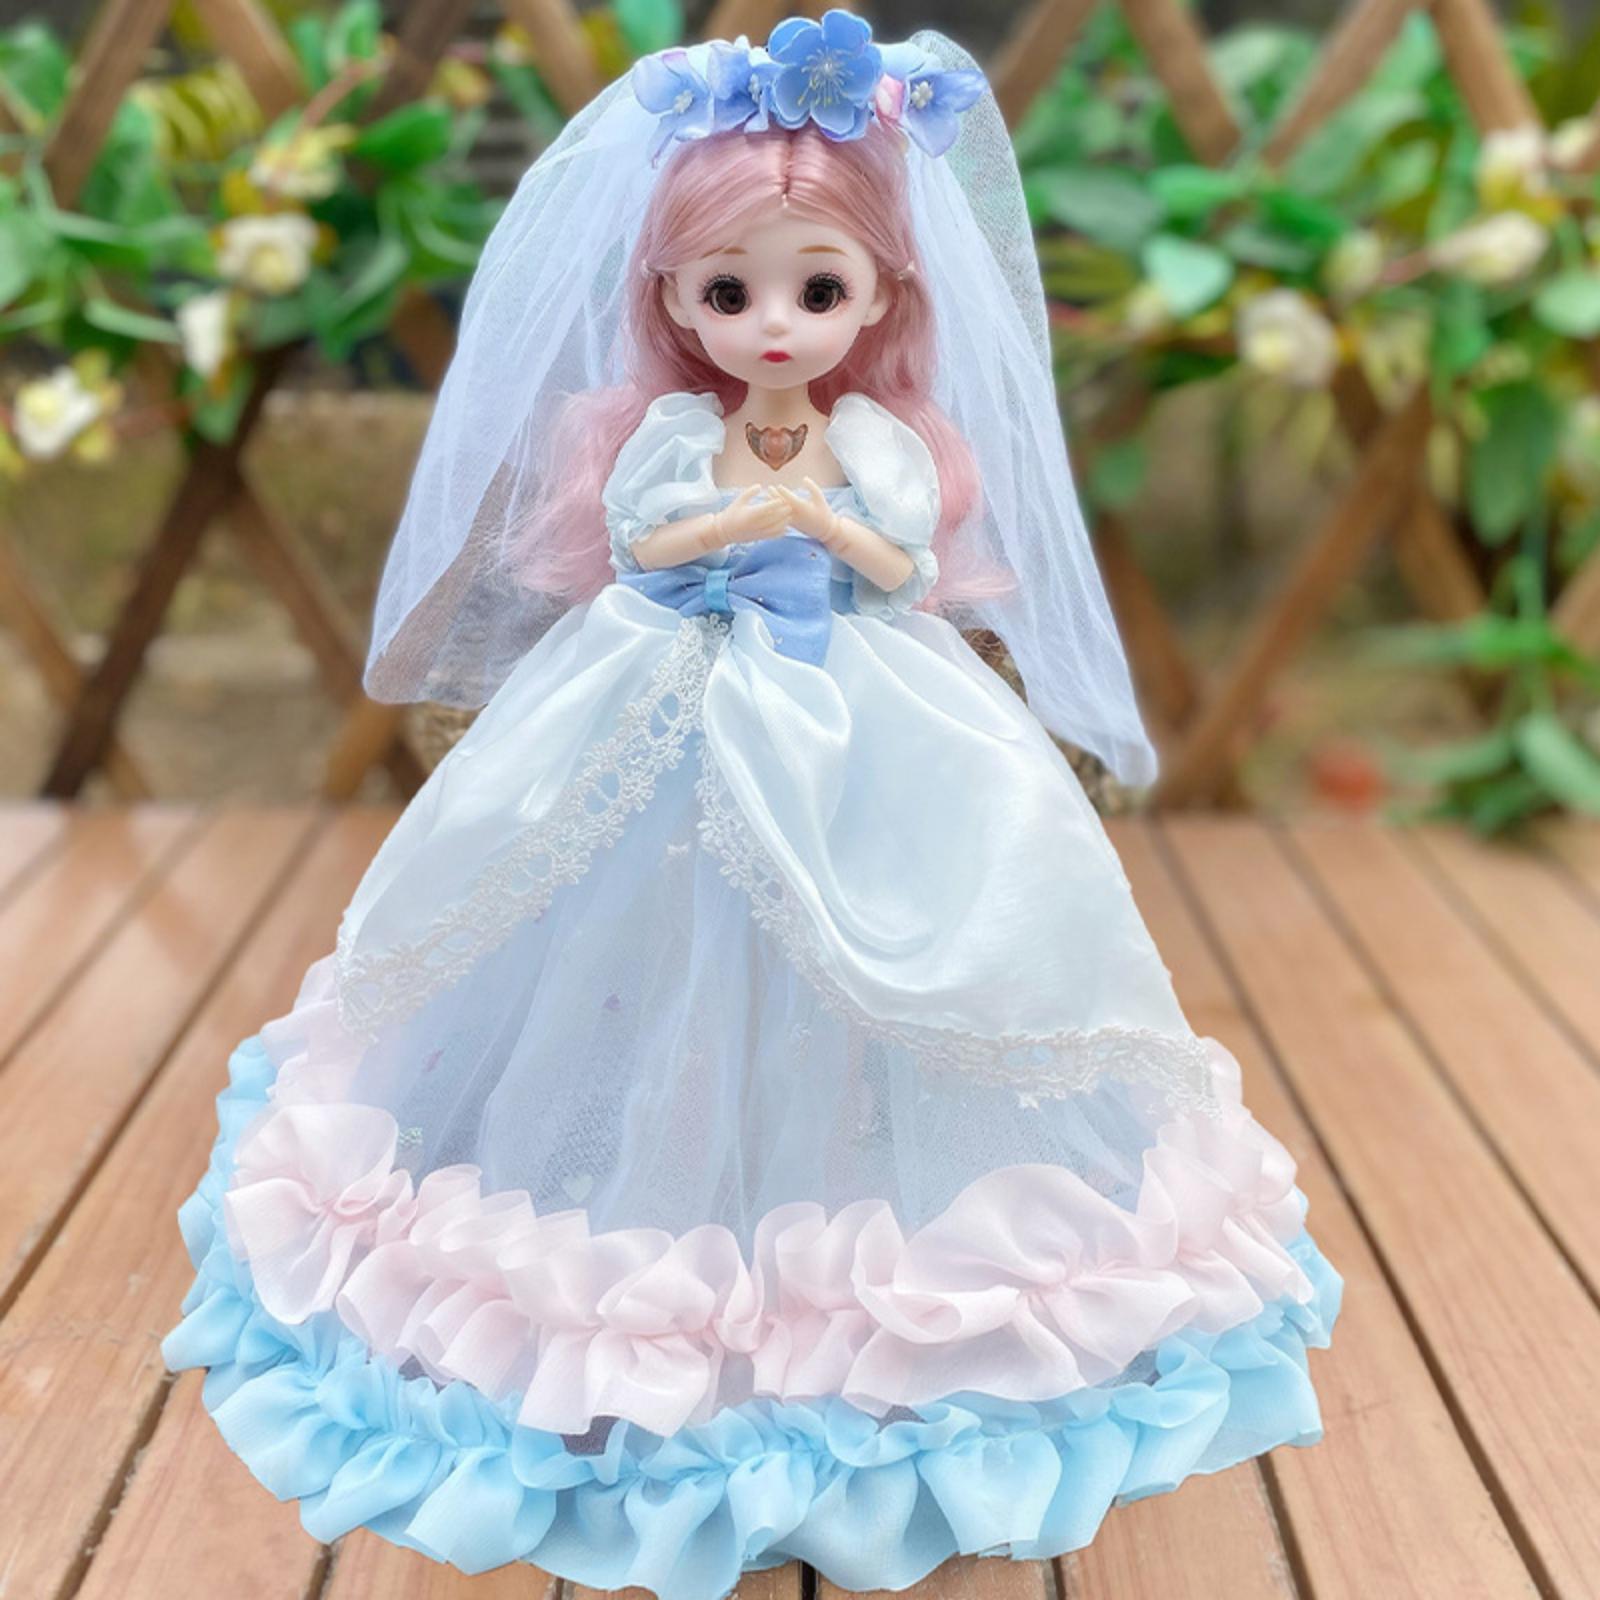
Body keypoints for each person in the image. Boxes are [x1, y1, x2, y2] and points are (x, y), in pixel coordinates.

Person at [164, 13, 1342, 1598]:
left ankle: (880, 1222)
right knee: (613, 908)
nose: (773, 323)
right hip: (657, 675)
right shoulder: (661, 432)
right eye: (728, 293)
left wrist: (818, 525)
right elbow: (645, 544)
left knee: (901, 925)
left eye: (817, 289)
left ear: (881, 297)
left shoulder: (881, 440)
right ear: (668, 299)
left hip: (860, 701)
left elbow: (901, 564)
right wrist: (745, 522)